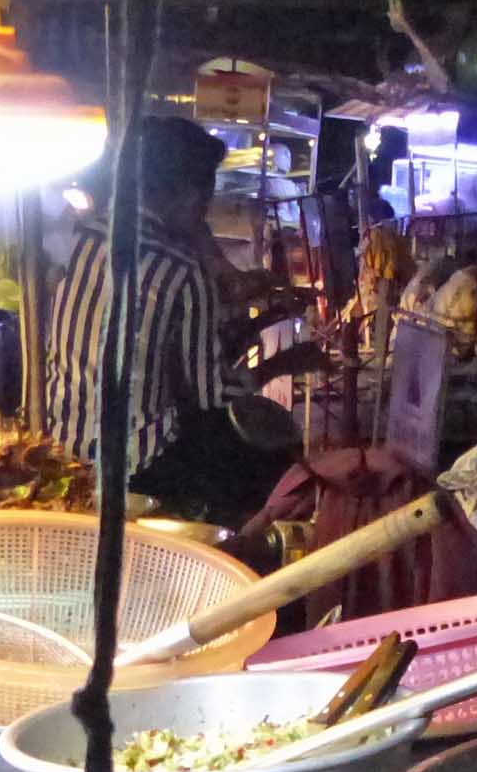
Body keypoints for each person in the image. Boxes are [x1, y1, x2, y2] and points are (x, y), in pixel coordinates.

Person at [44, 117, 294, 527]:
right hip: (137, 462)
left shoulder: (77, 239)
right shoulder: (179, 269)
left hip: (62, 443)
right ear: (191, 196)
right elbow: (211, 392)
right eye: (206, 197)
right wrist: (282, 366)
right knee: (267, 468)